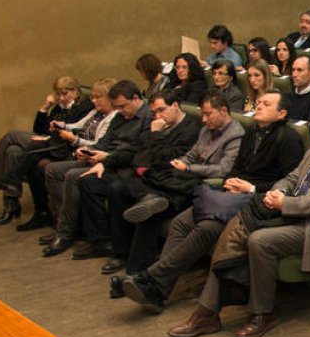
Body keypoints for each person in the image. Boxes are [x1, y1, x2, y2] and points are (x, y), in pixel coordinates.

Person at [166, 104, 310, 337]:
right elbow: (291, 178)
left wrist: (286, 203)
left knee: (257, 239)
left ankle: (260, 313)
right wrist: (276, 193)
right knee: (238, 223)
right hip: (283, 213)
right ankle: (207, 312)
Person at [120, 92, 303, 313]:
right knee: (181, 221)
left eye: (266, 104)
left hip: (258, 201)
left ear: (281, 113)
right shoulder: (251, 133)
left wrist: (251, 188)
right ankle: (158, 288)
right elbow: (235, 169)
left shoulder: (288, 139)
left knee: (207, 227)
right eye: (259, 102)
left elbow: (289, 184)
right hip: (231, 195)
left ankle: (151, 280)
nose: (259, 106)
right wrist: (231, 182)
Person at [79, 91, 212, 275]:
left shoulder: (190, 128)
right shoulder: (156, 125)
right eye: (155, 112)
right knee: (90, 181)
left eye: (162, 110)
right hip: (141, 174)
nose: (158, 116)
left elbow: (165, 158)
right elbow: (134, 148)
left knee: (119, 189)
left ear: (175, 105)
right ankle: (102, 243)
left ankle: (125, 257)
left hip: (162, 180)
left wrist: (155, 133)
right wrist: (105, 162)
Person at [0, 76, 94, 226]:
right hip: (46, 142)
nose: (61, 98)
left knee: (11, 135)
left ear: (76, 91)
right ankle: (12, 202)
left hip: (59, 146)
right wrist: (45, 108)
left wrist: (50, 135)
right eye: (59, 94)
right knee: (13, 151)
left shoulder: (84, 106)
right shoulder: (58, 107)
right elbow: (38, 130)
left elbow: (74, 131)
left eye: (65, 94)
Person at [41, 81, 153, 257]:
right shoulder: (120, 117)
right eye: (117, 107)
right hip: (105, 158)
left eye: (123, 106)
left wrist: (105, 159)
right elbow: (106, 141)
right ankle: (75, 228)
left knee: (77, 177)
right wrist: (89, 152)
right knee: (53, 170)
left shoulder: (148, 118)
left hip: (120, 164)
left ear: (136, 99)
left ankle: (70, 232)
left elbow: (137, 152)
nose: (120, 111)